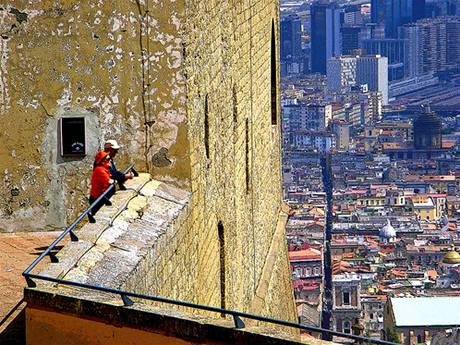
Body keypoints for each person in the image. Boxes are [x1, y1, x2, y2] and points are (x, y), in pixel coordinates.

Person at [89, 151, 114, 217]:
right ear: (103, 161)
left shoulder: (104, 169)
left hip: (100, 196)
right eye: (108, 159)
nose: (110, 160)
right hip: (97, 198)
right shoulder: (99, 170)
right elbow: (109, 181)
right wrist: (113, 180)